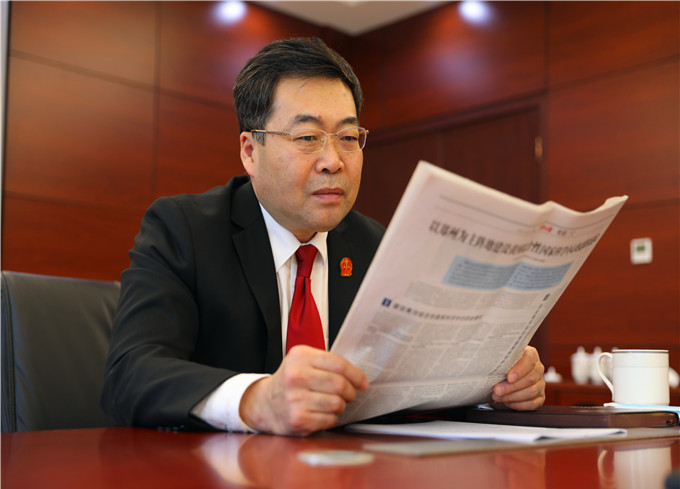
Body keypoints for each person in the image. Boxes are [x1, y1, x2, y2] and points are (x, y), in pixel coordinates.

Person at [101, 37, 545, 437]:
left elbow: (414, 385)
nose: (334, 160)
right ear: (250, 151)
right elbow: (130, 375)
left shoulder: (377, 247)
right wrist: (257, 400)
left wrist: (496, 387)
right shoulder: (184, 229)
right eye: (308, 136)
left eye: (348, 137)